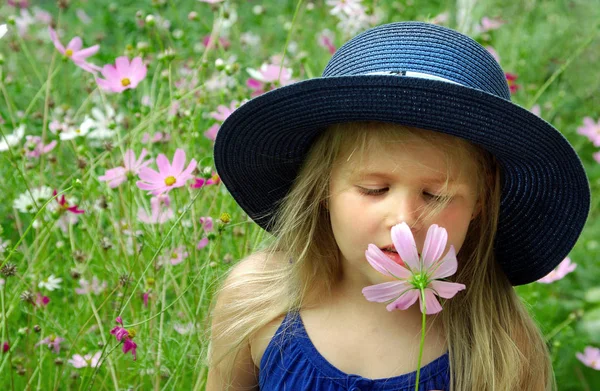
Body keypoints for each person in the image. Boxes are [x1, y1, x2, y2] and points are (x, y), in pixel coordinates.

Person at [204, 21, 590, 391]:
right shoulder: (258, 301)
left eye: (435, 195)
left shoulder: (502, 343)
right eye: (374, 189)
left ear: (481, 202)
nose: (404, 221)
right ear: (322, 186)